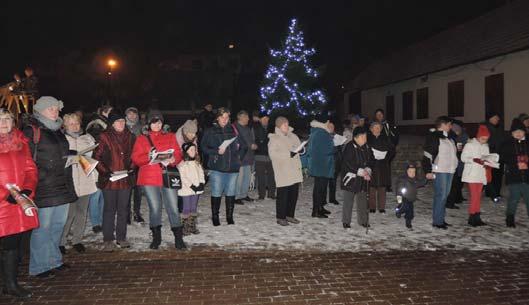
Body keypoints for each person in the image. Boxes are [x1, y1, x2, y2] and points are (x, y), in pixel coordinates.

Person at [23, 96, 78, 278]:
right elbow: (26, 160)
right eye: (50, 109)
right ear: (40, 111)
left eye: (56, 108)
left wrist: (71, 157)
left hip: (61, 185)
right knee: (42, 228)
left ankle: (54, 260)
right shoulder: (32, 131)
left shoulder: (57, 131)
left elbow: (58, 153)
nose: (55, 112)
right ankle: (39, 266)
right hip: (43, 187)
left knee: (57, 226)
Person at [131, 111, 186, 250]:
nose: (157, 125)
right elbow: (136, 159)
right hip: (149, 177)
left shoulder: (170, 136)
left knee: (173, 207)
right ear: (149, 124)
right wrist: (149, 157)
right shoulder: (142, 139)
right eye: (154, 122)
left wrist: (174, 159)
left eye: (160, 122)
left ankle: (178, 238)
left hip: (167, 175)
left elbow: (178, 153)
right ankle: (156, 238)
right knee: (155, 208)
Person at [0, 108, 38, 298]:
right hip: (2, 202)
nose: (4, 122)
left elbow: (31, 169)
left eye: (7, 118)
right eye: (0, 119)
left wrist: (27, 190)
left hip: (17, 203)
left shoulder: (21, 142)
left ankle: (10, 284)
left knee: (12, 245)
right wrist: (3, 194)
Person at [93, 111, 136, 251]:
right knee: (109, 210)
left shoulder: (131, 136)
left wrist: (131, 168)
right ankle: (108, 239)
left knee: (123, 210)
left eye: (123, 121)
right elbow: (96, 157)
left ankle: (121, 237)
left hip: (125, 179)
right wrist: (106, 172)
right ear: (112, 123)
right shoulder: (104, 136)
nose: (121, 124)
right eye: (118, 121)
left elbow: (135, 155)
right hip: (109, 179)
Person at [59, 113, 98, 254]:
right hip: (70, 181)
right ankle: (61, 241)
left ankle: (77, 240)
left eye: (76, 123)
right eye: (71, 123)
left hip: (85, 179)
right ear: (65, 125)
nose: (75, 126)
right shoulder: (62, 139)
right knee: (68, 214)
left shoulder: (87, 138)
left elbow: (94, 155)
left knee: (82, 212)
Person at [200, 107, 246, 226]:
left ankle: (229, 217)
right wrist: (216, 151)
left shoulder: (234, 130)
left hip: (233, 168)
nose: (225, 120)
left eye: (227, 117)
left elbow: (244, 146)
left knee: (231, 192)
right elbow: (203, 147)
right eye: (222, 117)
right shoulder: (210, 131)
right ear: (217, 118)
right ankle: (215, 217)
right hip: (217, 167)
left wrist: (239, 158)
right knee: (216, 192)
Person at [422, 116, 458, 230]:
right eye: (449, 124)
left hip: (450, 170)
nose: (451, 126)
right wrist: (428, 170)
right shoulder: (434, 137)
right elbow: (428, 154)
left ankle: (441, 219)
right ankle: (437, 221)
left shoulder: (450, 138)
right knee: (441, 195)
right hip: (440, 169)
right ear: (442, 125)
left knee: (445, 196)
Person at [268, 117, 303, 226]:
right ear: (278, 126)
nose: (287, 126)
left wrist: (301, 149)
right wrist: (288, 154)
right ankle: (281, 217)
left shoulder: (293, 136)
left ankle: (290, 215)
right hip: (283, 170)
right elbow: (273, 154)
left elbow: (298, 147)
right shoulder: (274, 138)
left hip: (294, 169)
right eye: (284, 125)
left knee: (293, 194)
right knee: (283, 195)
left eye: (287, 124)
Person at [461, 125, 496, 227]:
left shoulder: (485, 146)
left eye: (486, 139)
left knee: (478, 196)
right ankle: (473, 217)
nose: (484, 141)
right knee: (475, 196)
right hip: (471, 174)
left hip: (481, 174)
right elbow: (463, 158)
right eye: (482, 139)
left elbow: (487, 158)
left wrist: (490, 162)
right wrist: (473, 159)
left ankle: (476, 217)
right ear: (478, 137)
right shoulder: (470, 145)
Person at [341, 127, 373, 228]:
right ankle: (346, 221)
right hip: (351, 178)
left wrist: (368, 169)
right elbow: (347, 163)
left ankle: (363, 220)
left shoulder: (367, 147)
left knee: (363, 200)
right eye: (363, 136)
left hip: (362, 178)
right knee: (348, 200)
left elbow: (371, 160)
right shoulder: (349, 147)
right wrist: (359, 171)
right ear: (356, 137)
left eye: (365, 136)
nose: (365, 138)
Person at [500, 119, 529, 228]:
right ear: (512, 133)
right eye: (515, 132)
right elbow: (503, 157)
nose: (518, 133)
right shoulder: (507, 143)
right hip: (514, 176)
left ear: (524, 132)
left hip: (527, 176)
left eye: (520, 131)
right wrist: (516, 159)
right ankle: (510, 217)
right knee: (514, 198)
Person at [306, 113, 334, 218]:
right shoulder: (321, 132)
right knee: (319, 188)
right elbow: (327, 148)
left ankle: (320, 207)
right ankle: (316, 210)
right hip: (321, 164)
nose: (329, 123)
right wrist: (334, 145)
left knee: (321, 188)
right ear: (324, 122)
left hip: (320, 164)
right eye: (327, 121)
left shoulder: (318, 131)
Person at [367, 121, 395, 213]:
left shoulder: (386, 138)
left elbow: (392, 150)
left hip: (383, 164)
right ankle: (372, 207)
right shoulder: (368, 138)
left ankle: (381, 207)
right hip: (372, 164)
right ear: (371, 129)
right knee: (371, 186)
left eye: (379, 127)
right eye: (375, 127)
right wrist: (371, 157)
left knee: (382, 186)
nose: (377, 129)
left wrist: (386, 158)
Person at [178, 142, 205, 235]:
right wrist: (191, 185)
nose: (194, 151)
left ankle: (192, 226)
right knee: (186, 208)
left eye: (195, 149)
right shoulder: (183, 164)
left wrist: (201, 183)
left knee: (193, 207)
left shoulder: (197, 163)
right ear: (186, 152)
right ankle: (184, 227)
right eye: (191, 150)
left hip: (197, 189)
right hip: (186, 189)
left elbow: (201, 173)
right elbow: (183, 177)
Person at [125, 107, 145, 224]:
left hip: (138, 162)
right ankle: (126, 213)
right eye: (130, 114)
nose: (132, 116)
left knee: (138, 189)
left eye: (134, 114)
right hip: (125, 163)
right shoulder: (122, 126)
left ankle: (137, 212)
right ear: (126, 115)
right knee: (127, 189)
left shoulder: (141, 127)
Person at [233, 111, 256, 204]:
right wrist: (250, 145)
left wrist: (253, 145)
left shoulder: (247, 128)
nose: (248, 119)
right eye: (246, 117)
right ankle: (236, 196)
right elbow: (237, 141)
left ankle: (244, 194)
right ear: (241, 117)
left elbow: (251, 139)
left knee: (247, 177)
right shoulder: (234, 128)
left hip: (248, 156)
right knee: (239, 177)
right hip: (240, 156)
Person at [395, 163, 428, 230]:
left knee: (410, 211)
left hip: (411, 199)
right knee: (404, 207)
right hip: (404, 198)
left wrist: (426, 179)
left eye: (414, 172)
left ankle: (408, 222)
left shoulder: (415, 180)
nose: (412, 173)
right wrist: (399, 199)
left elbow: (421, 183)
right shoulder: (403, 180)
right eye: (410, 171)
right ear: (406, 172)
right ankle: (398, 210)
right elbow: (399, 190)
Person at [446, 120, 468, 208]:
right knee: (454, 183)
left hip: (460, 161)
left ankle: (458, 197)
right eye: (455, 130)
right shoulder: (451, 137)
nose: (457, 132)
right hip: (455, 162)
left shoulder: (463, 135)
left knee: (459, 181)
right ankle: (451, 200)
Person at [484, 113, 506, 203]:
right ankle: (491, 192)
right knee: (491, 175)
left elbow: (502, 140)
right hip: (491, 155)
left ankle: (496, 192)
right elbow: (486, 141)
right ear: (490, 118)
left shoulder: (499, 128)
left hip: (500, 155)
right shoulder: (486, 128)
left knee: (498, 175)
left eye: (498, 118)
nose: (497, 119)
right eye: (495, 117)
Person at [254, 113, 276, 200]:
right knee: (261, 176)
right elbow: (259, 140)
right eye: (263, 119)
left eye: (267, 119)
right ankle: (261, 195)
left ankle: (271, 194)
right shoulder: (256, 128)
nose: (265, 121)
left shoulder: (271, 128)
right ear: (260, 119)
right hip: (260, 155)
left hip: (270, 156)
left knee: (272, 176)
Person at [327, 122, 342, 205]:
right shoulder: (325, 136)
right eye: (330, 126)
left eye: (333, 126)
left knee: (333, 181)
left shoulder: (336, 136)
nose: (331, 128)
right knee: (325, 182)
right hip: (327, 161)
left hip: (336, 161)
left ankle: (332, 198)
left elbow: (339, 149)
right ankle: (323, 199)